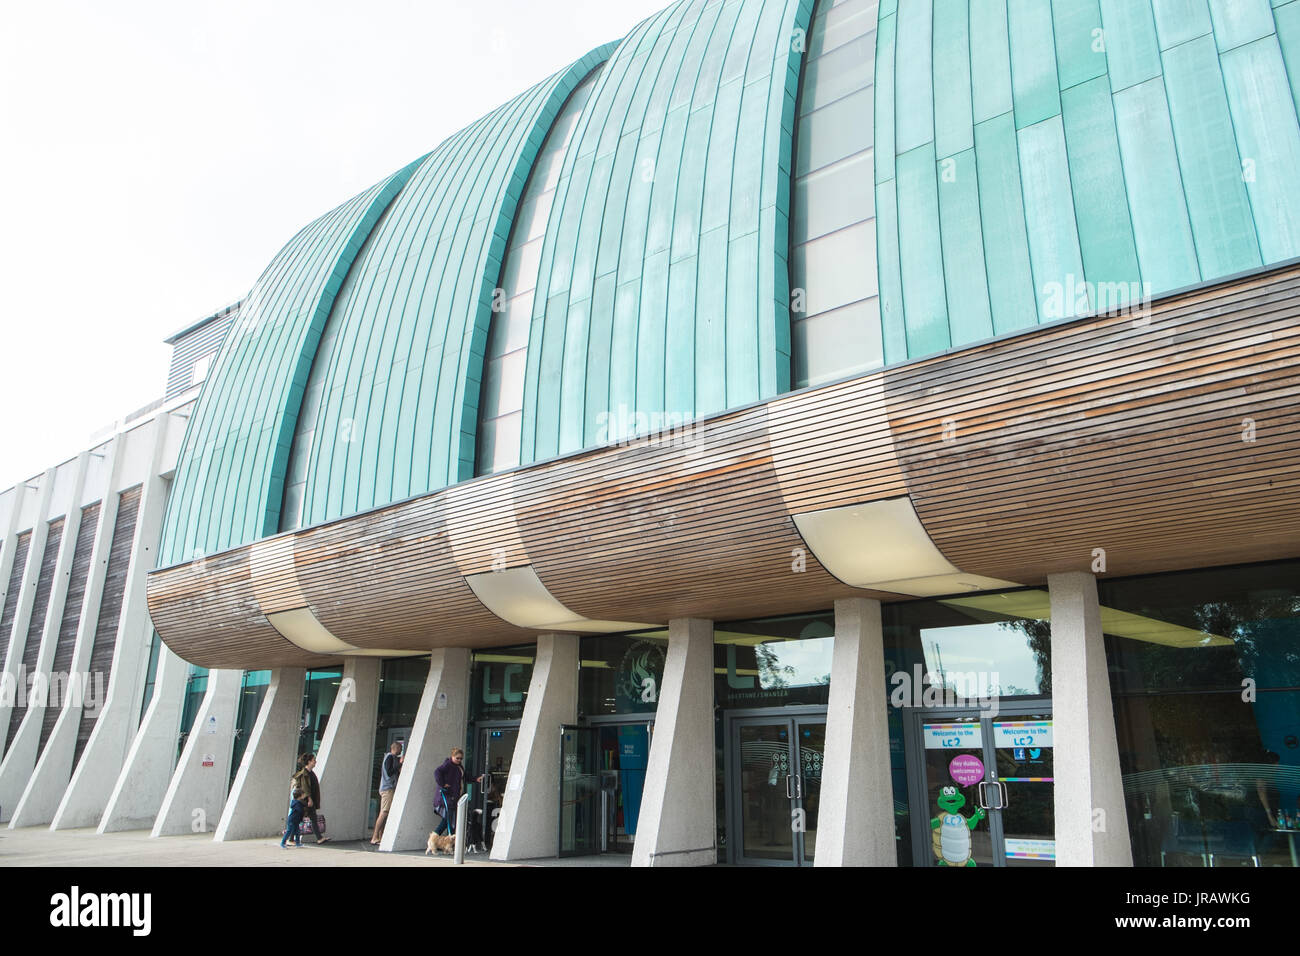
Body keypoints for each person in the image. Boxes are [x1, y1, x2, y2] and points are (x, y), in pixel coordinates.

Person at [432, 747, 482, 836]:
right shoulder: (448, 764)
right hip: (447, 797)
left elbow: (465, 776)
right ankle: (436, 838)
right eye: (457, 758)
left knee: (449, 820)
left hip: (454, 797)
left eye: (461, 758)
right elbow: (437, 772)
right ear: (452, 756)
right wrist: (443, 784)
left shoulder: (459, 766)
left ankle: (441, 839)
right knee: (449, 819)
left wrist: (475, 779)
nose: (459, 760)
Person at [370, 741, 403, 845]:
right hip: (387, 789)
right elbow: (389, 772)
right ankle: (374, 837)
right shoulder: (389, 757)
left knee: (384, 812)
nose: (401, 751)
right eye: (400, 749)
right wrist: (400, 764)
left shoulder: (391, 758)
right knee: (384, 812)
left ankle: (380, 836)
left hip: (387, 788)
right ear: (396, 748)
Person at [293, 753, 329, 844]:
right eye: (314, 760)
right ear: (309, 762)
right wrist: (309, 799)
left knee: (311, 818)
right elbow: (305, 788)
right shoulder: (305, 774)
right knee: (301, 819)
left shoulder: (310, 773)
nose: (315, 762)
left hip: (308, 800)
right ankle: (290, 838)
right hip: (306, 801)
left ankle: (319, 838)